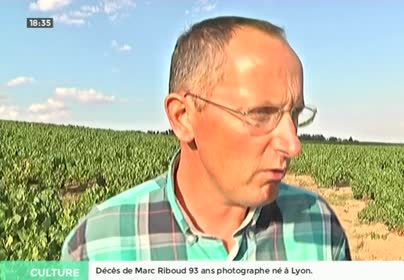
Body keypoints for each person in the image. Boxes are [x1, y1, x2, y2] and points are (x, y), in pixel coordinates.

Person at [61, 15, 351, 261]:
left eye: (296, 114)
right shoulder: (98, 247)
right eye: (261, 114)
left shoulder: (320, 228)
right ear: (183, 117)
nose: (293, 144)